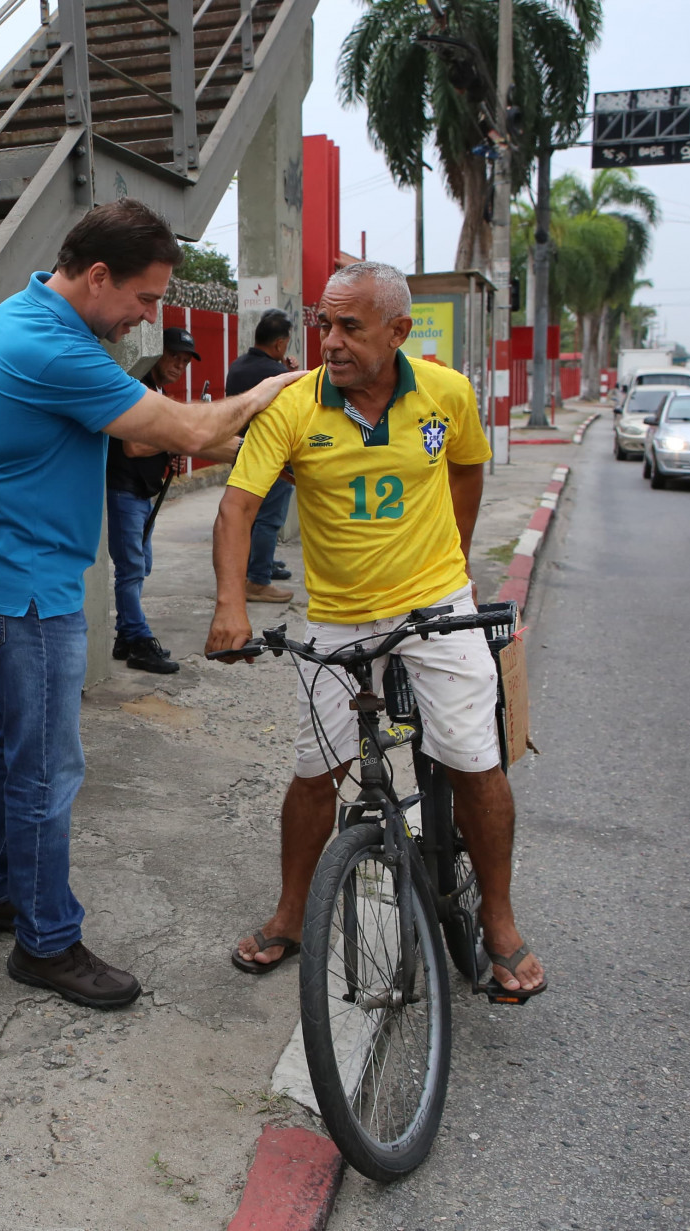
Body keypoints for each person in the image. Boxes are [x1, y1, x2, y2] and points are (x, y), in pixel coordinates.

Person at [0, 198, 304, 1008]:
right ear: (98, 275)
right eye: (144, 298)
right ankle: (46, 941)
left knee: (15, 737)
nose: (148, 316)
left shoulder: (41, 320)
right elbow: (186, 431)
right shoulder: (48, 346)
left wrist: (275, 448)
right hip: (24, 588)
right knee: (46, 764)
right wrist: (275, 393)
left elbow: (139, 434)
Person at [206, 261, 547, 1002]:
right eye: (323, 324)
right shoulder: (294, 405)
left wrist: (457, 560)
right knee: (314, 772)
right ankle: (292, 912)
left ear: (398, 332)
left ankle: (499, 920)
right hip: (337, 614)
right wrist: (231, 604)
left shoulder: (446, 393)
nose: (330, 341)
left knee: (474, 761)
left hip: (436, 604)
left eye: (349, 327)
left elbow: (466, 469)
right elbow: (237, 506)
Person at [105, 325, 202, 674]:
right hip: (124, 489)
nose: (179, 365)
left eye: (185, 361)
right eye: (174, 357)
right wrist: (172, 441)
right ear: (157, 355)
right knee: (131, 567)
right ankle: (138, 640)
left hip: (142, 491)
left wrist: (167, 454)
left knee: (141, 564)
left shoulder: (157, 391)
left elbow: (152, 444)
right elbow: (133, 446)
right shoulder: (140, 388)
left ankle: (124, 635)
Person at [224, 309, 298, 602]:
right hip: (272, 458)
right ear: (279, 343)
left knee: (248, 517)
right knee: (269, 519)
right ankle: (258, 580)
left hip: (241, 451)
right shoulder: (278, 375)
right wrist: (290, 373)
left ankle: (257, 566)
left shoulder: (237, 367)